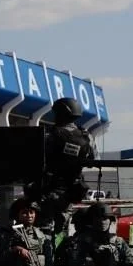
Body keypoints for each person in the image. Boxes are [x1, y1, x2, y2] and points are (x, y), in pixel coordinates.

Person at [24, 97, 95, 234]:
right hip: (70, 192)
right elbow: (92, 161)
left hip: (46, 191)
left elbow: (33, 159)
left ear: (60, 113)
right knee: (62, 232)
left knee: (40, 232)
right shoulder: (86, 136)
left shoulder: (48, 134)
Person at [53, 202, 133, 266]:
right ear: (91, 221)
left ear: (110, 220)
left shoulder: (118, 242)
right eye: (98, 218)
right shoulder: (79, 242)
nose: (102, 222)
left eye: (105, 218)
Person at [0, 198, 53, 266]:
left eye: (31, 212)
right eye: (25, 212)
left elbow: (48, 257)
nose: (29, 216)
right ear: (17, 215)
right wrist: (17, 249)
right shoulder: (10, 233)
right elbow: (1, 255)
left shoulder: (40, 233)